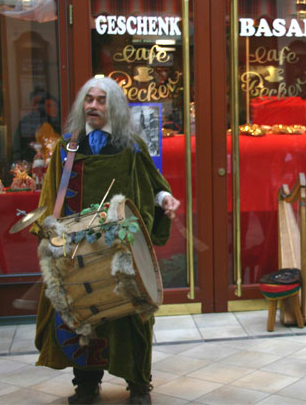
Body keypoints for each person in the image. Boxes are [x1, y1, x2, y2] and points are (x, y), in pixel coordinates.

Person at [33, 77, 180, 405]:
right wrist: (47, 232)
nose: (93, 106)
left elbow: (154, 184)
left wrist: (165, 199)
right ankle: (86, 384)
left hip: (120, 251)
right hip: (78, 254)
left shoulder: (131, 147)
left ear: (112, 107)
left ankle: (139, 386)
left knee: (132, 320)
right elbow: (51, 196)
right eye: (88, 100)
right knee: (81, 316)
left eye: (100, 100)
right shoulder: (68, 147)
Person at [13, 91, 61, 162]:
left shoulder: (59, 123)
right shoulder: (29, 122)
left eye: (55, 105)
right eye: (49, 106)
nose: (54, 108)